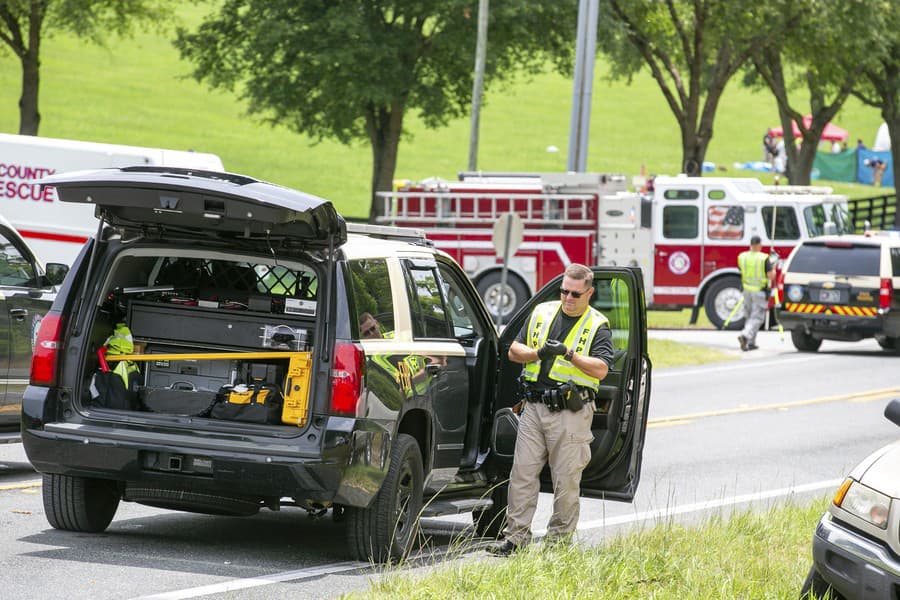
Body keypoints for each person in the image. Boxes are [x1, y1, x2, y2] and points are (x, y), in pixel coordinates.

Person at [488, 263, 614, 556]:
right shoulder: (542, 312)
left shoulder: (598, 324)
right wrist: (539, 353)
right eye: (564, 291)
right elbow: (513, 350)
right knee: (522, 474)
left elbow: (602, 369)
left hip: (570, 411)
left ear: (589, 293)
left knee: (566, 480)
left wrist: (569, 354)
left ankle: (558, 544)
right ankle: (515, 539)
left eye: (575, 293)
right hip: (534, 407)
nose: (568, 298)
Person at [737, 236, 775, 352]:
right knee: (757, 317)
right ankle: (745, 335)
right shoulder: (763, 258)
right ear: (759, 244)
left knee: (749, 317)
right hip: (759, 290)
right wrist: (773, 265)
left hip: (746, 290)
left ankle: (751, 343)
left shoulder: (742, 256)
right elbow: (771, 276)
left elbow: (741, 271)